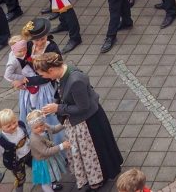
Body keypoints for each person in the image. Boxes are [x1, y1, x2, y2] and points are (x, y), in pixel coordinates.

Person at [35, 53, 123, 189]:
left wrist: (58, 108)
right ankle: (92, 176)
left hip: (89, 123)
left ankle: (99, 179)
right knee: (87, 152)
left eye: (43, 74)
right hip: (80, 121)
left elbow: (83, 107)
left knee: (93, 153)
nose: (43, 78)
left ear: (51, 70)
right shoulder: (63, 73)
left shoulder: (75, 81)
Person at [25, 109, 69, 192]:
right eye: (36, 127)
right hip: (43, 162)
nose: (40, 128)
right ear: (31, 128)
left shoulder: (45, 127)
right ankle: (49, 189)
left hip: (49, 158)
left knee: (50, 177)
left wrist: (64, 123)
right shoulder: (34, 139)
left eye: (41, 125)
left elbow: (54, 129)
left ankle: (52, 185)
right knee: (45, 181)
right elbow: (46, 152)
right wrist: (61, 146)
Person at [0, 109, 31, 192]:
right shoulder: (1, 142)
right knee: (21, 179)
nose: (13, 126)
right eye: (8, 126)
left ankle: (46, 183)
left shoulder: (21, 125)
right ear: (0, 127)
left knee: (39, 167)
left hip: (29, 153)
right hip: (16, 162)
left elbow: (26, 137)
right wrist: (8, 156)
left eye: (14, 122)